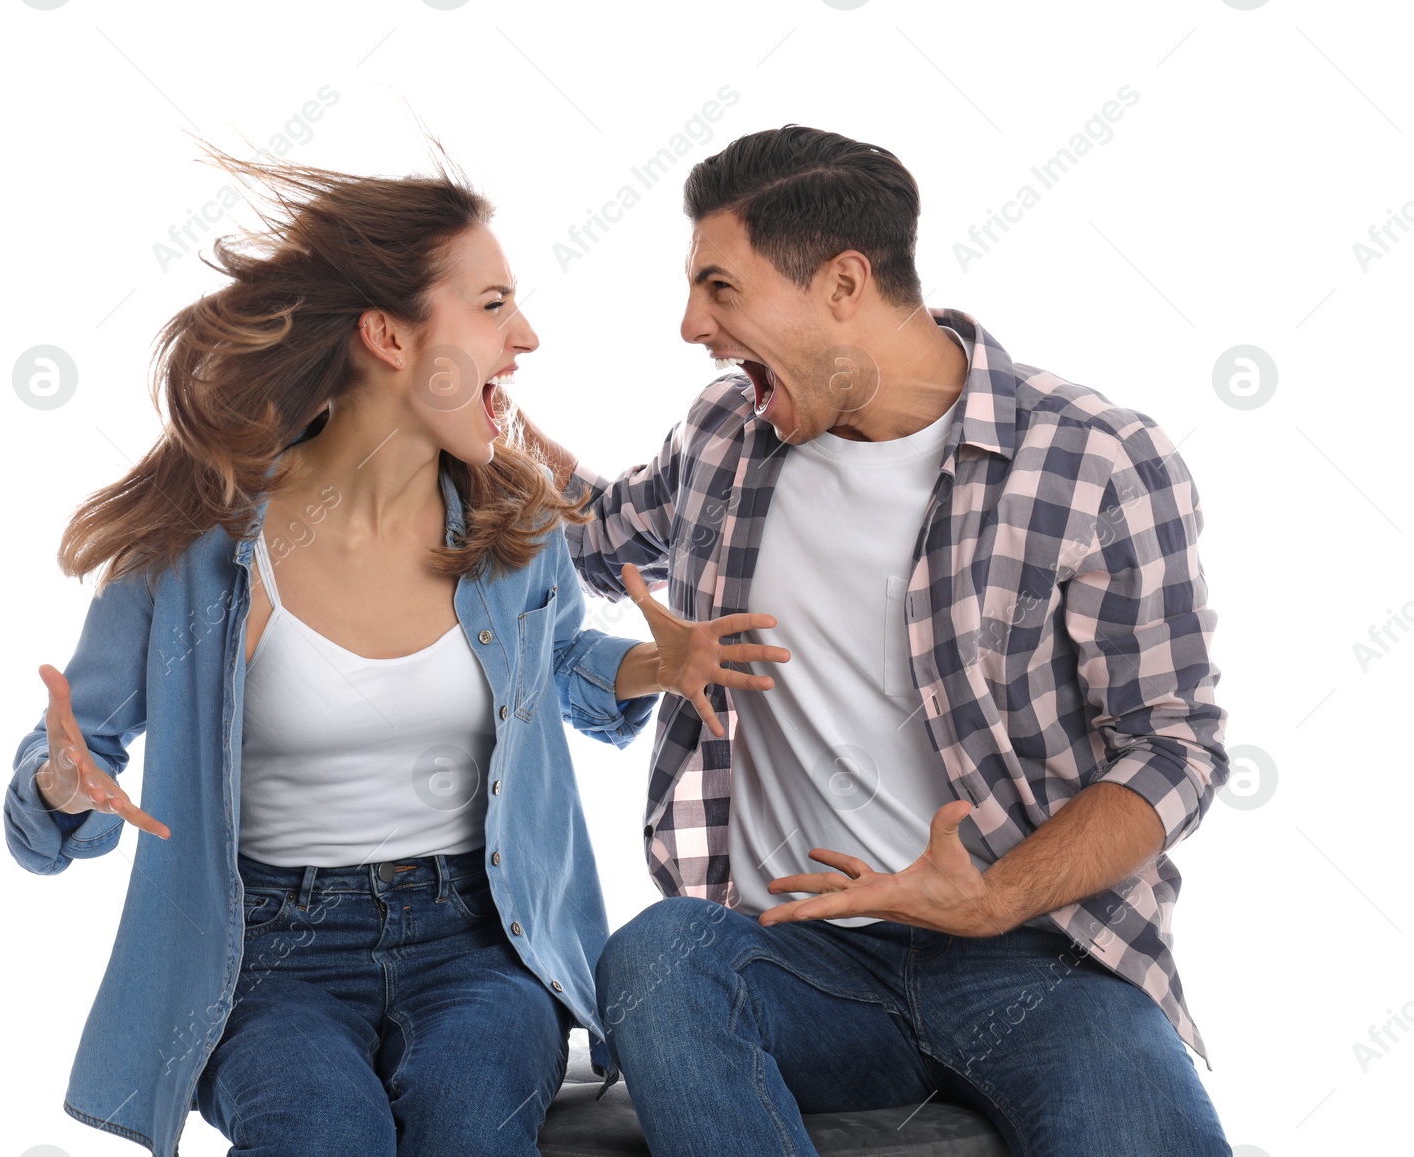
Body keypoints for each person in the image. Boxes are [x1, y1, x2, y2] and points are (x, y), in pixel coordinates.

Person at [1, 146, 788, 1157]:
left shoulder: (511, 524)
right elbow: (73, 758)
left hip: (476, 936)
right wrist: (66, 784)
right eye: (494, 304)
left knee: (472, 1124)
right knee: (320, 1130)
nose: (527, 337)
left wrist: (651, 667)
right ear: (386, 335)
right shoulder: (197, 549)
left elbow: (549, 668)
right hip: (267, 955)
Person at [524, 125, 1234, 1156]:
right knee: (661, 954)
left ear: (844, 283)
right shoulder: (727, 434)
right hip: (791, 958)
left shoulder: (1093, 460)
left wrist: (995, 895)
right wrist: (502, 462)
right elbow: (604, 537)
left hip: (1032, 961)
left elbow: (1174, 743)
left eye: (720, 287)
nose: (691, 325)